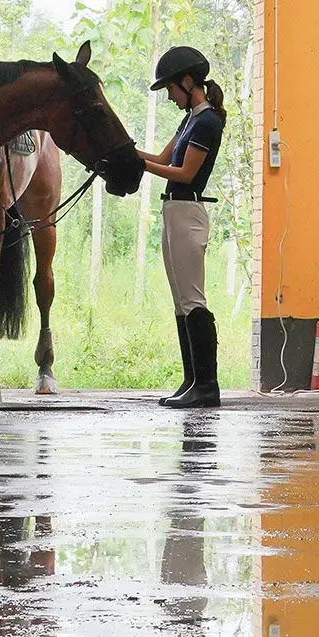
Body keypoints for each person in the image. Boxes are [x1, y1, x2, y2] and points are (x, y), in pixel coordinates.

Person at [136, 45, 227, 409]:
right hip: (173, 211)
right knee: (180, 303)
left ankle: (207, 385)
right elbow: (161, 159)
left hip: (189, 211)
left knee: (193, 299)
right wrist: (125, 151)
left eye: (172, 89)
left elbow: (185, 173)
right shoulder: (188, 120)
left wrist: (141, 168)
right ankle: (191, 380)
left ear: (188, 82)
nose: (171, 97)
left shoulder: (206, 122)